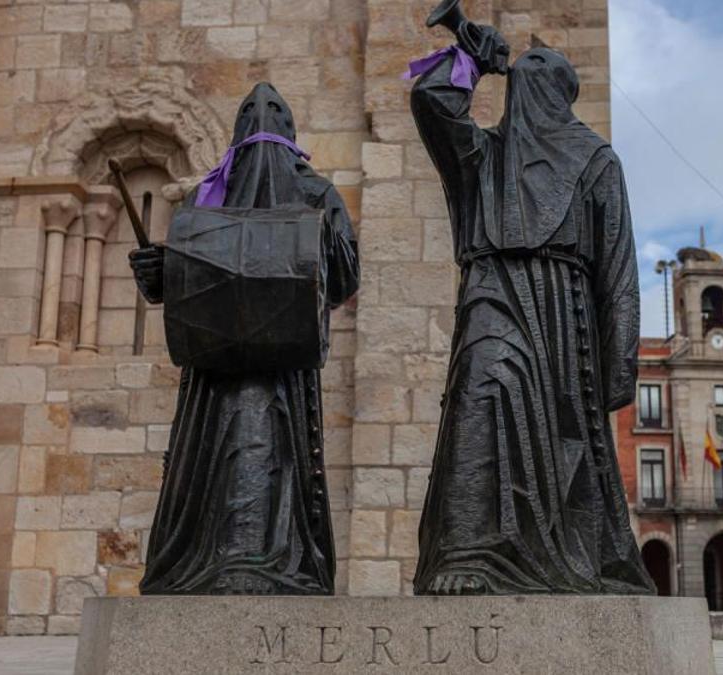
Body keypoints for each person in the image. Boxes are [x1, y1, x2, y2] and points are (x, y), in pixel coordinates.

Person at [407, 26, 655, 595]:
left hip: (565, 317)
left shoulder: (596, 160)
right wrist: (469, 58)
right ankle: (466, 554)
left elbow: (619, 269)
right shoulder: (482, 155)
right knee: (481, 388)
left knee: (561, 440)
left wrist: (620, 365)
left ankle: (556, 559)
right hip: (493, 295)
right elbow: (430, 101)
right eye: (521, 81)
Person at [129, 83, 359, 595]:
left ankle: (265, 562)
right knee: (217, 447)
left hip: (284, 369)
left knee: (264, 437)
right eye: (250, 112)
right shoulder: (208, 194)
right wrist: (157, 272)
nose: (261, 118)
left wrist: (311, 249)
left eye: (275, 110)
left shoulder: (316, 192)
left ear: (291, 129)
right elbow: (184, 279)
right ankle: (205, 563)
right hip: (212, 370)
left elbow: (345, 276)